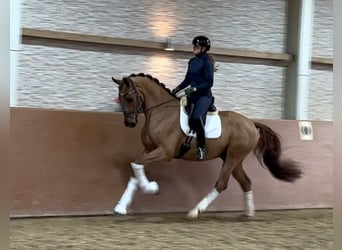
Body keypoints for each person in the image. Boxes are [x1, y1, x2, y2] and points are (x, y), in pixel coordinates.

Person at [172, 35, 215, 160]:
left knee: (196, 117)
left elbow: (209, 82)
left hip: (204, 96)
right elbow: (187, 80)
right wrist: (177, 89)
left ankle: (202, 147)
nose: (194, 48)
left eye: (196, 46)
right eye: (194, 46)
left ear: (203, 48)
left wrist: (195, 88)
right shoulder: (192, 61)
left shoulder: (207, 61)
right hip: (192, 96)